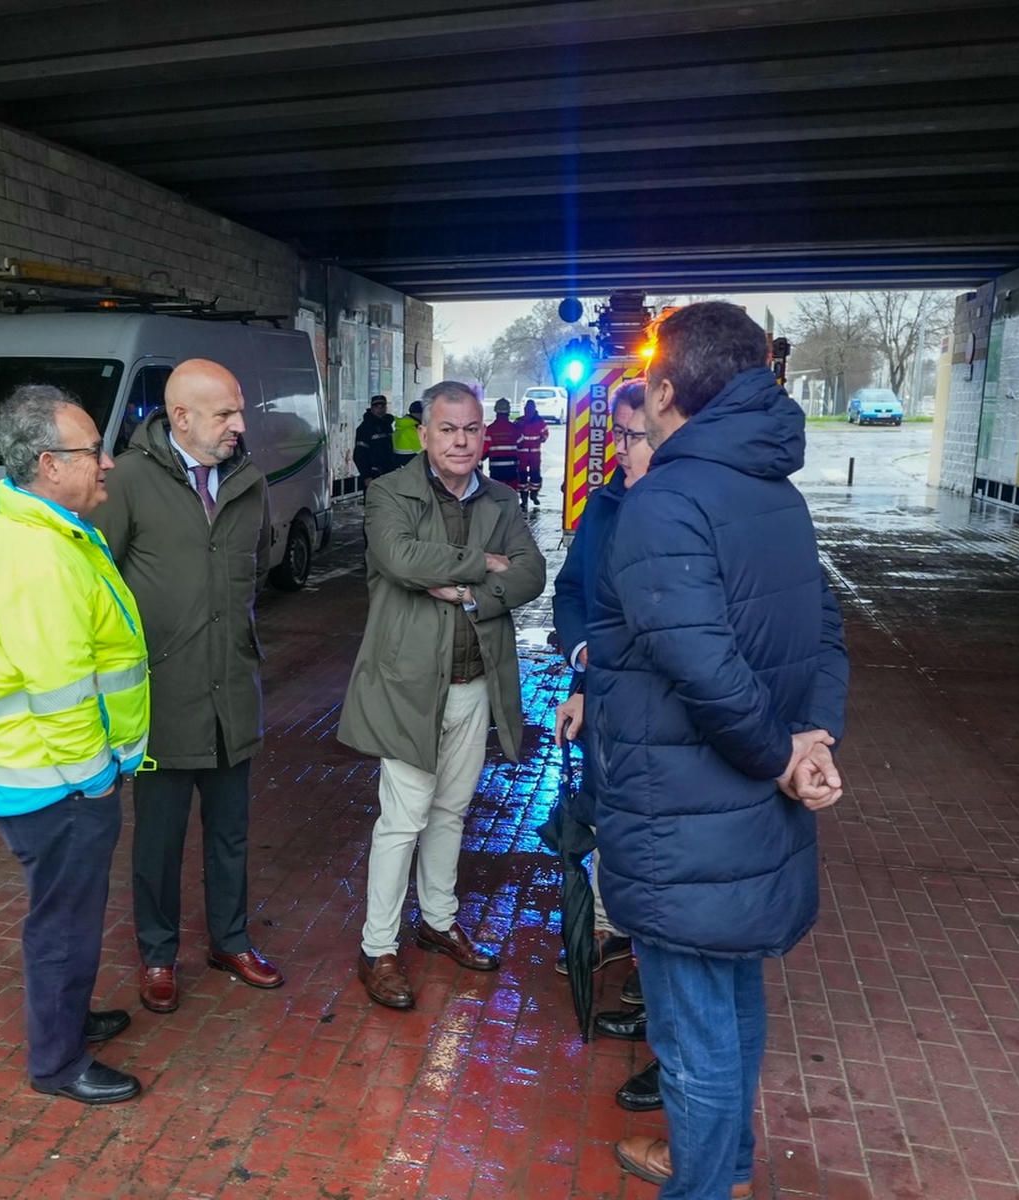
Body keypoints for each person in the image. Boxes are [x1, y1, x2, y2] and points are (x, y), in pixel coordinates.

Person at [589, 302, 849, 1199]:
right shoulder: (775, 492)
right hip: (745, 814)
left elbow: (699, 665)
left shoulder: (666, 501)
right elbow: (824, 633)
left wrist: (782, 754)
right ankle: (726, 1169)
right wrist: (812, 743)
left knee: (691, 1032)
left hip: (683, 816)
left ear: (665, 391)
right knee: (731, 1002)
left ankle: (703, 1186)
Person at [0, 384, 151, 1106]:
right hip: (59, 781)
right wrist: (95, 778)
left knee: (69, 915)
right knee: (64, 925)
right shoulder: (40, 553)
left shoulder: (43, 528)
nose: (107, 462)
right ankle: (57, 1061)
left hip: (53, 776)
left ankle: (67, 1019)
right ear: (48, 464)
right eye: (93, 450)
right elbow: (59, 689)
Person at [339, 381, 547, 1010]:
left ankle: (437, 920)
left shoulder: (501, 497)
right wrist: (485, 562)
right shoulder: (389, 492)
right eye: (449, 429)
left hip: (475, 682)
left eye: (472, 429)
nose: (462, 441)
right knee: (402, 820)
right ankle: (378, 947)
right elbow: (401, 559)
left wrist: (467, 594)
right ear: (425, 433)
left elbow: (532, 572)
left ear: (484, 434)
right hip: (409, 686)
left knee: (452, 811)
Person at [91, 359, 285, 1017]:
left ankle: (230, 941)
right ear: (181, 417)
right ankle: (157, 954)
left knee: (231, 832)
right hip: (161, 699)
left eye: (239, 410)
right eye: (225, 413)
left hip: (231, 690)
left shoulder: (248, 482)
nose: (239, 425)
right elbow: (99, 583)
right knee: (159, 841)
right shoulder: (129, 480)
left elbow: (257, 564)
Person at [553, 378, 652, 1110]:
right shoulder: (606, 502)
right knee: (611, 832)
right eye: (614, 434)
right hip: (605, 708)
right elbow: (570, 592)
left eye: (633, 436)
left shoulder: (687, 509)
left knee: (657, 854)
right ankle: (625, 946)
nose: (620, 449)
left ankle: (654, 979)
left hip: (659, 723)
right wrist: (584, 659)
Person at [354, 394, 397, 491]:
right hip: (373, 475)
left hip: (389, 474)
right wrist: (366, 476)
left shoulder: (387, 425)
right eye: (377, 406)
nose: (380, 409)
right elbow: (359, 454)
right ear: (371, 408)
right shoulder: (364, 428)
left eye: (382, 406)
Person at [515, 398, 550, 511]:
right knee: (522, 476)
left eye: (529, 409)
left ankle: (534, 494)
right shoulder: (520, 421)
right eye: (526, 409)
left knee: (535, 475)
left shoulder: (539, 422)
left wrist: (541, 439)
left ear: (534, 409)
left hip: (534, 453)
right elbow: (514, 434)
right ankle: (524, 499)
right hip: (523, 454)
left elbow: (545, 434)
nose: (528, 411)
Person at [484, 397, 521, 489]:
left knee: (497, 494)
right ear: (509, 411)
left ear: (496, 411)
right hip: (511, 469)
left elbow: (484, 451)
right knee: (511, 493)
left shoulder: (490, 429)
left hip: (496, 470)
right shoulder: (515, 429)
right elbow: (521, 446)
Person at [391, 400, 423, 468]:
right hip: (413, 467)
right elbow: (426, 451)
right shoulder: (412, 430)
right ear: (420, 413)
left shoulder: (401, 427)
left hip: (402, 466)